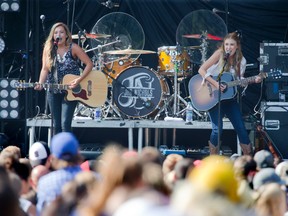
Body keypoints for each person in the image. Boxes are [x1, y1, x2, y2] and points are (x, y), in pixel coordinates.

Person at [198, 31, 262, 155]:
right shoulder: (219, 54)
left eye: (231, 45)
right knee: (217, 130)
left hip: (229, 98)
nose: (228, 47)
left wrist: (252, 80)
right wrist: (216, 84)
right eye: (226, 44)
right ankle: (213, 158)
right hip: (212, 96)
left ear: (237, 46)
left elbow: (239, 81)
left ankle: (248, 159)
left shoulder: (241, 61)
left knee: (241, 128)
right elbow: (201, 69)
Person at [35, 22, 93, 135]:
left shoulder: (73, 48)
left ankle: (67, 151)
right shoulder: (49, 49)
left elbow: (89, 64)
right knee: (56, 125)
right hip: (53, 90)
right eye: (56, 32)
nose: (58, 34)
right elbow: (45, 69)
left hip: (71, 91)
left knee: (65, 124)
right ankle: (57, 151)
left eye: (61, 32)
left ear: (66, 35)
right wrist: (40, 83)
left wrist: (79, 80)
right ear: (53, 36)